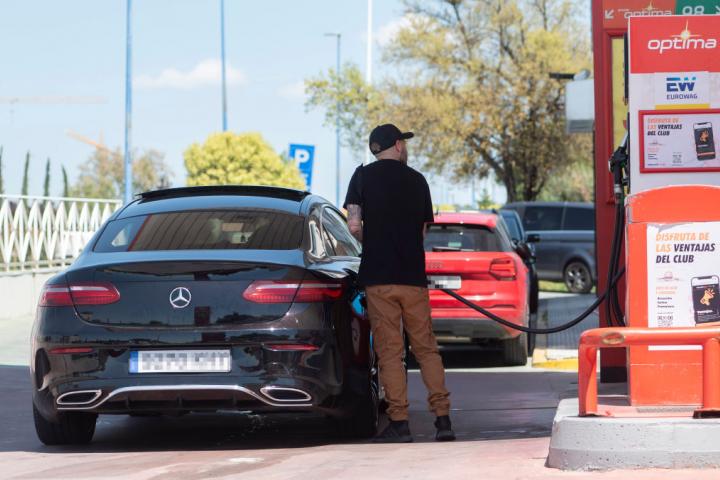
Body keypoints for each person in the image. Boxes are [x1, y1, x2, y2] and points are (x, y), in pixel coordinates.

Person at [344, 123, 455, 443]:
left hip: (378, 279)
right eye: (404, 143)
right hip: (413, 279)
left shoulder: (361, 177)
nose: (406, 148)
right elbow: (421, 234)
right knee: (427, 349)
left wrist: (374, 239)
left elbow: (353, 226)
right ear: (396, 145)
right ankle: (443, 420)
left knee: (391, 353)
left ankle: (400, 423)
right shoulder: (418, 180)